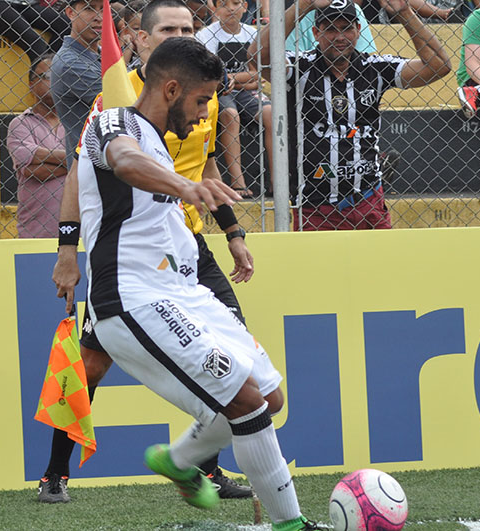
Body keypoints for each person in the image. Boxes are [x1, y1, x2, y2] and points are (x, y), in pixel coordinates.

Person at [77, 35, 320, 531]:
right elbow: (123, 160)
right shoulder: (113, 122)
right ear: (169, 89)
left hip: (185, 293)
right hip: (134, 298)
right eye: (203, 99)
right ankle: (291, 525)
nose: (207, 110)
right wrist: (187, 187)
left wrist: (224, 223)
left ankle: (179, 460)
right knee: (245, 403)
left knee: (269, 397)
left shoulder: (164, 144)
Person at [40, 0, 257, 504]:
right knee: (91, 365)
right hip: (132, 256)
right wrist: (67, 250)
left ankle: (205, 468)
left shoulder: (198, 96)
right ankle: (56, 471)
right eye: (165, 28)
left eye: (186, 27)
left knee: (232, 346)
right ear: (138, 38)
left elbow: (205, 172)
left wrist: (233, 233)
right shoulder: (118, 101)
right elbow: (78, 174)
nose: (176, 34)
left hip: (188, 245)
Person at [251, 0, 451, 231]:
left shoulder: (374, 67)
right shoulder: (300, 67)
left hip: (368, 201)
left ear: (358, 30)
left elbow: (439, 66)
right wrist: (304, 5)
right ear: (316, 33)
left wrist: (405, 13)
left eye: (346, 28)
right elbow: (256, 55)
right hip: (314, 208)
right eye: (331, 29)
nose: (340, 37)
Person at [196, 0, 275, 197]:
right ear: (215, 8)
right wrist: (246, 80)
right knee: (230, 115)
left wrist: (232, 79)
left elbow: (259, 75)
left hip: (243, 90)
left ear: (245, 6)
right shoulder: (205, 35)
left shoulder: (253, 33)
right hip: (218, 92)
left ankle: (277, 181)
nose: (230, 8)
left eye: (236, 3)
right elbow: (212, 77)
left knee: (270, 113)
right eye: (223, 4)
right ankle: (238, 182)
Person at [7, 54, 68, 238]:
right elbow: (34, 171)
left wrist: (42, 156)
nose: (54, 81)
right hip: (36, 233)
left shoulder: (78, 121)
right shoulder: (21, 124)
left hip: (82, 233)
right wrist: (76, 159)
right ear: (31, 84)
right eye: (48, 76)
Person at [51, 0, 104, 169]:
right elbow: (126, 103)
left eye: (103, 9)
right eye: (89, 9)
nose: (98, 17)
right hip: (93, 171)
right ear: (70, 13)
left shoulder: (102, 53)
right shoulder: (70, 63)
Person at [0, 0, 71, 61]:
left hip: (26, 4)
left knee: (67, 25)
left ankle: (52, 66)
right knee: (36, 43)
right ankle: (43, 74)